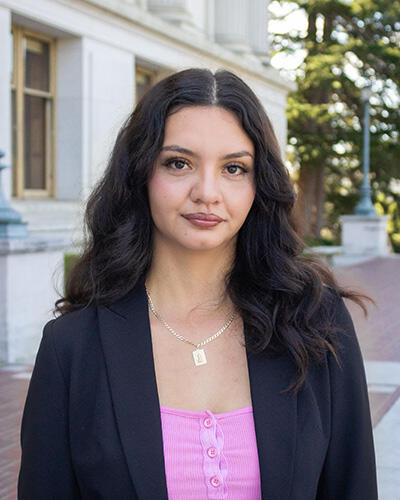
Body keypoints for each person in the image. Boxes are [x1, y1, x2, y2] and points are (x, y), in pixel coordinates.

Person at [18, 67, 377, 500]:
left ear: (258, 184)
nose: (207, 192)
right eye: (178, 163)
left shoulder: (317, 324)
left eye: (234, 168)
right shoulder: (73, 347)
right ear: (140, 174)